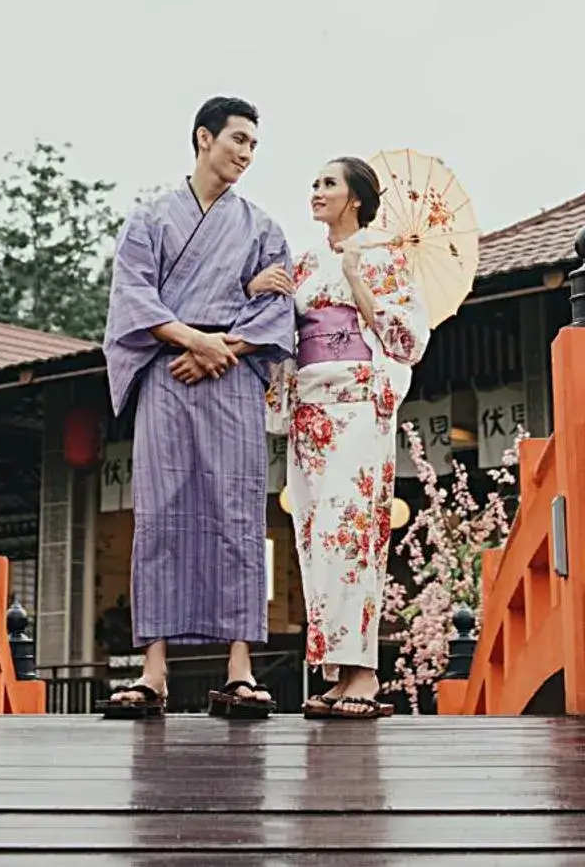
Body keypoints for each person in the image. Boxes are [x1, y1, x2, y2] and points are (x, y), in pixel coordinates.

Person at [99, 96, 297, 720]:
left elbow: (280, 309)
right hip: (169, 373)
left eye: (254, 145)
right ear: (203, 138)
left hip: (232, 376)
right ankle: (152, 671)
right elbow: (133, 297)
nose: (245, 153)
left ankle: (238, 669)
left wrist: (222, 346)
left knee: (238, 511)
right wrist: (193, 339)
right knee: (161, 510)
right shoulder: (150, 220)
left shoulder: (263, 228)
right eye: (237, 139)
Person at [261, 156, 429, 721]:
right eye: (313, 183)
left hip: (357, 404)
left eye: (328, 183)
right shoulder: (304, 263)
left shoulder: (384, 257)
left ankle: (365, 672)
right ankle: (336, 670)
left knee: (353, 532)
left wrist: (359, 282)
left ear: (355, 197)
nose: (316, 191)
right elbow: (282, 331)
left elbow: (409, 339)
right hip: (310, 406)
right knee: (315, 537)